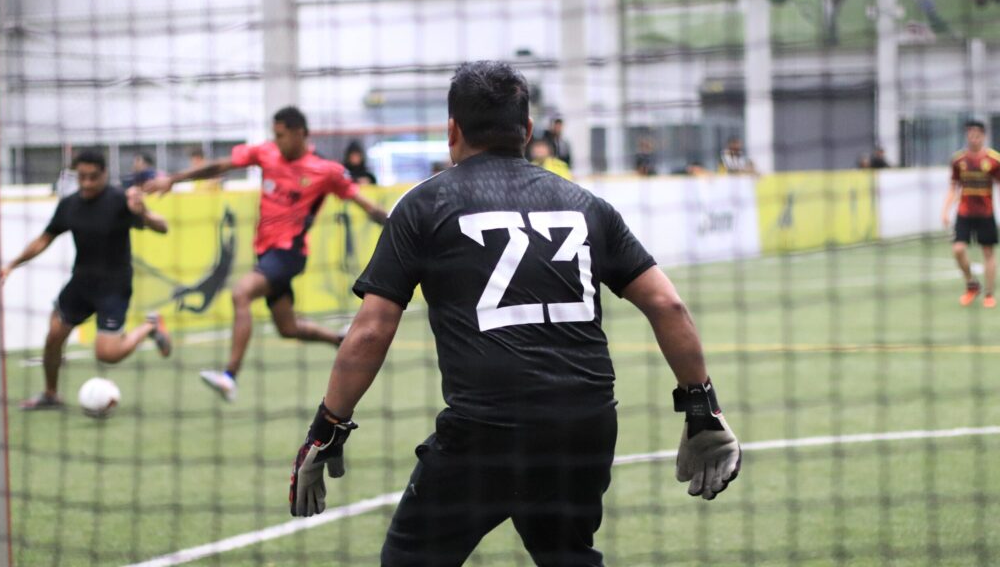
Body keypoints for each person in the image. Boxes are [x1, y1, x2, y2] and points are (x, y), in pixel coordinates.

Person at [287, 61, 741, 566]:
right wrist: (702, 407)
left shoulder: (423, 206)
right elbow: (667, 304)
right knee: (566, 554)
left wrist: (328, 426)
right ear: (526, 130)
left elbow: (371, 331)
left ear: (452, 129)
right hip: (583, 423)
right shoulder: (586, 204)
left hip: (487, 430)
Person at [145, 106, 388, 402]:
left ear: (300, 133)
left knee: (241, 293)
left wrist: (393, 224)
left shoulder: (326, 170)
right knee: (287, 328)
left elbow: (364, 204)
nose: (277, 140)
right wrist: (173, 179)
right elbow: (220, 165)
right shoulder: (266, 153)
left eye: (281, 135)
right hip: (266, 254)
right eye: (274, 135)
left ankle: (229, 376)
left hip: (290, 254)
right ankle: (339, 339)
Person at [1, 150, 173, 410]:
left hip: (114, 286)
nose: (88, 183)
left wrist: (145, 213)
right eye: (82, 177)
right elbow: (43, 240)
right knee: (54, 337)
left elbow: (163, 227)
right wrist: (12, 265)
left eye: (94, 177)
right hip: (81, 283)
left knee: (107, 355)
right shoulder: (69, 204)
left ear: (104, 174)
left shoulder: (119, 201)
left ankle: (150, 326)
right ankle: (50, 395)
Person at [941, 120, 1000, 308]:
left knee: (988, 252)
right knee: (958, 249)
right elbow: (953, 187)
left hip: (985, 214)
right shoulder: (958, 160)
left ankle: (989, 294)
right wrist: (945, 210)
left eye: (977, 135)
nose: (973, 138)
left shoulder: (994, 160)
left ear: (983, 136)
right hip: (964, 213)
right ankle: (971, 284)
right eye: (970, 134)